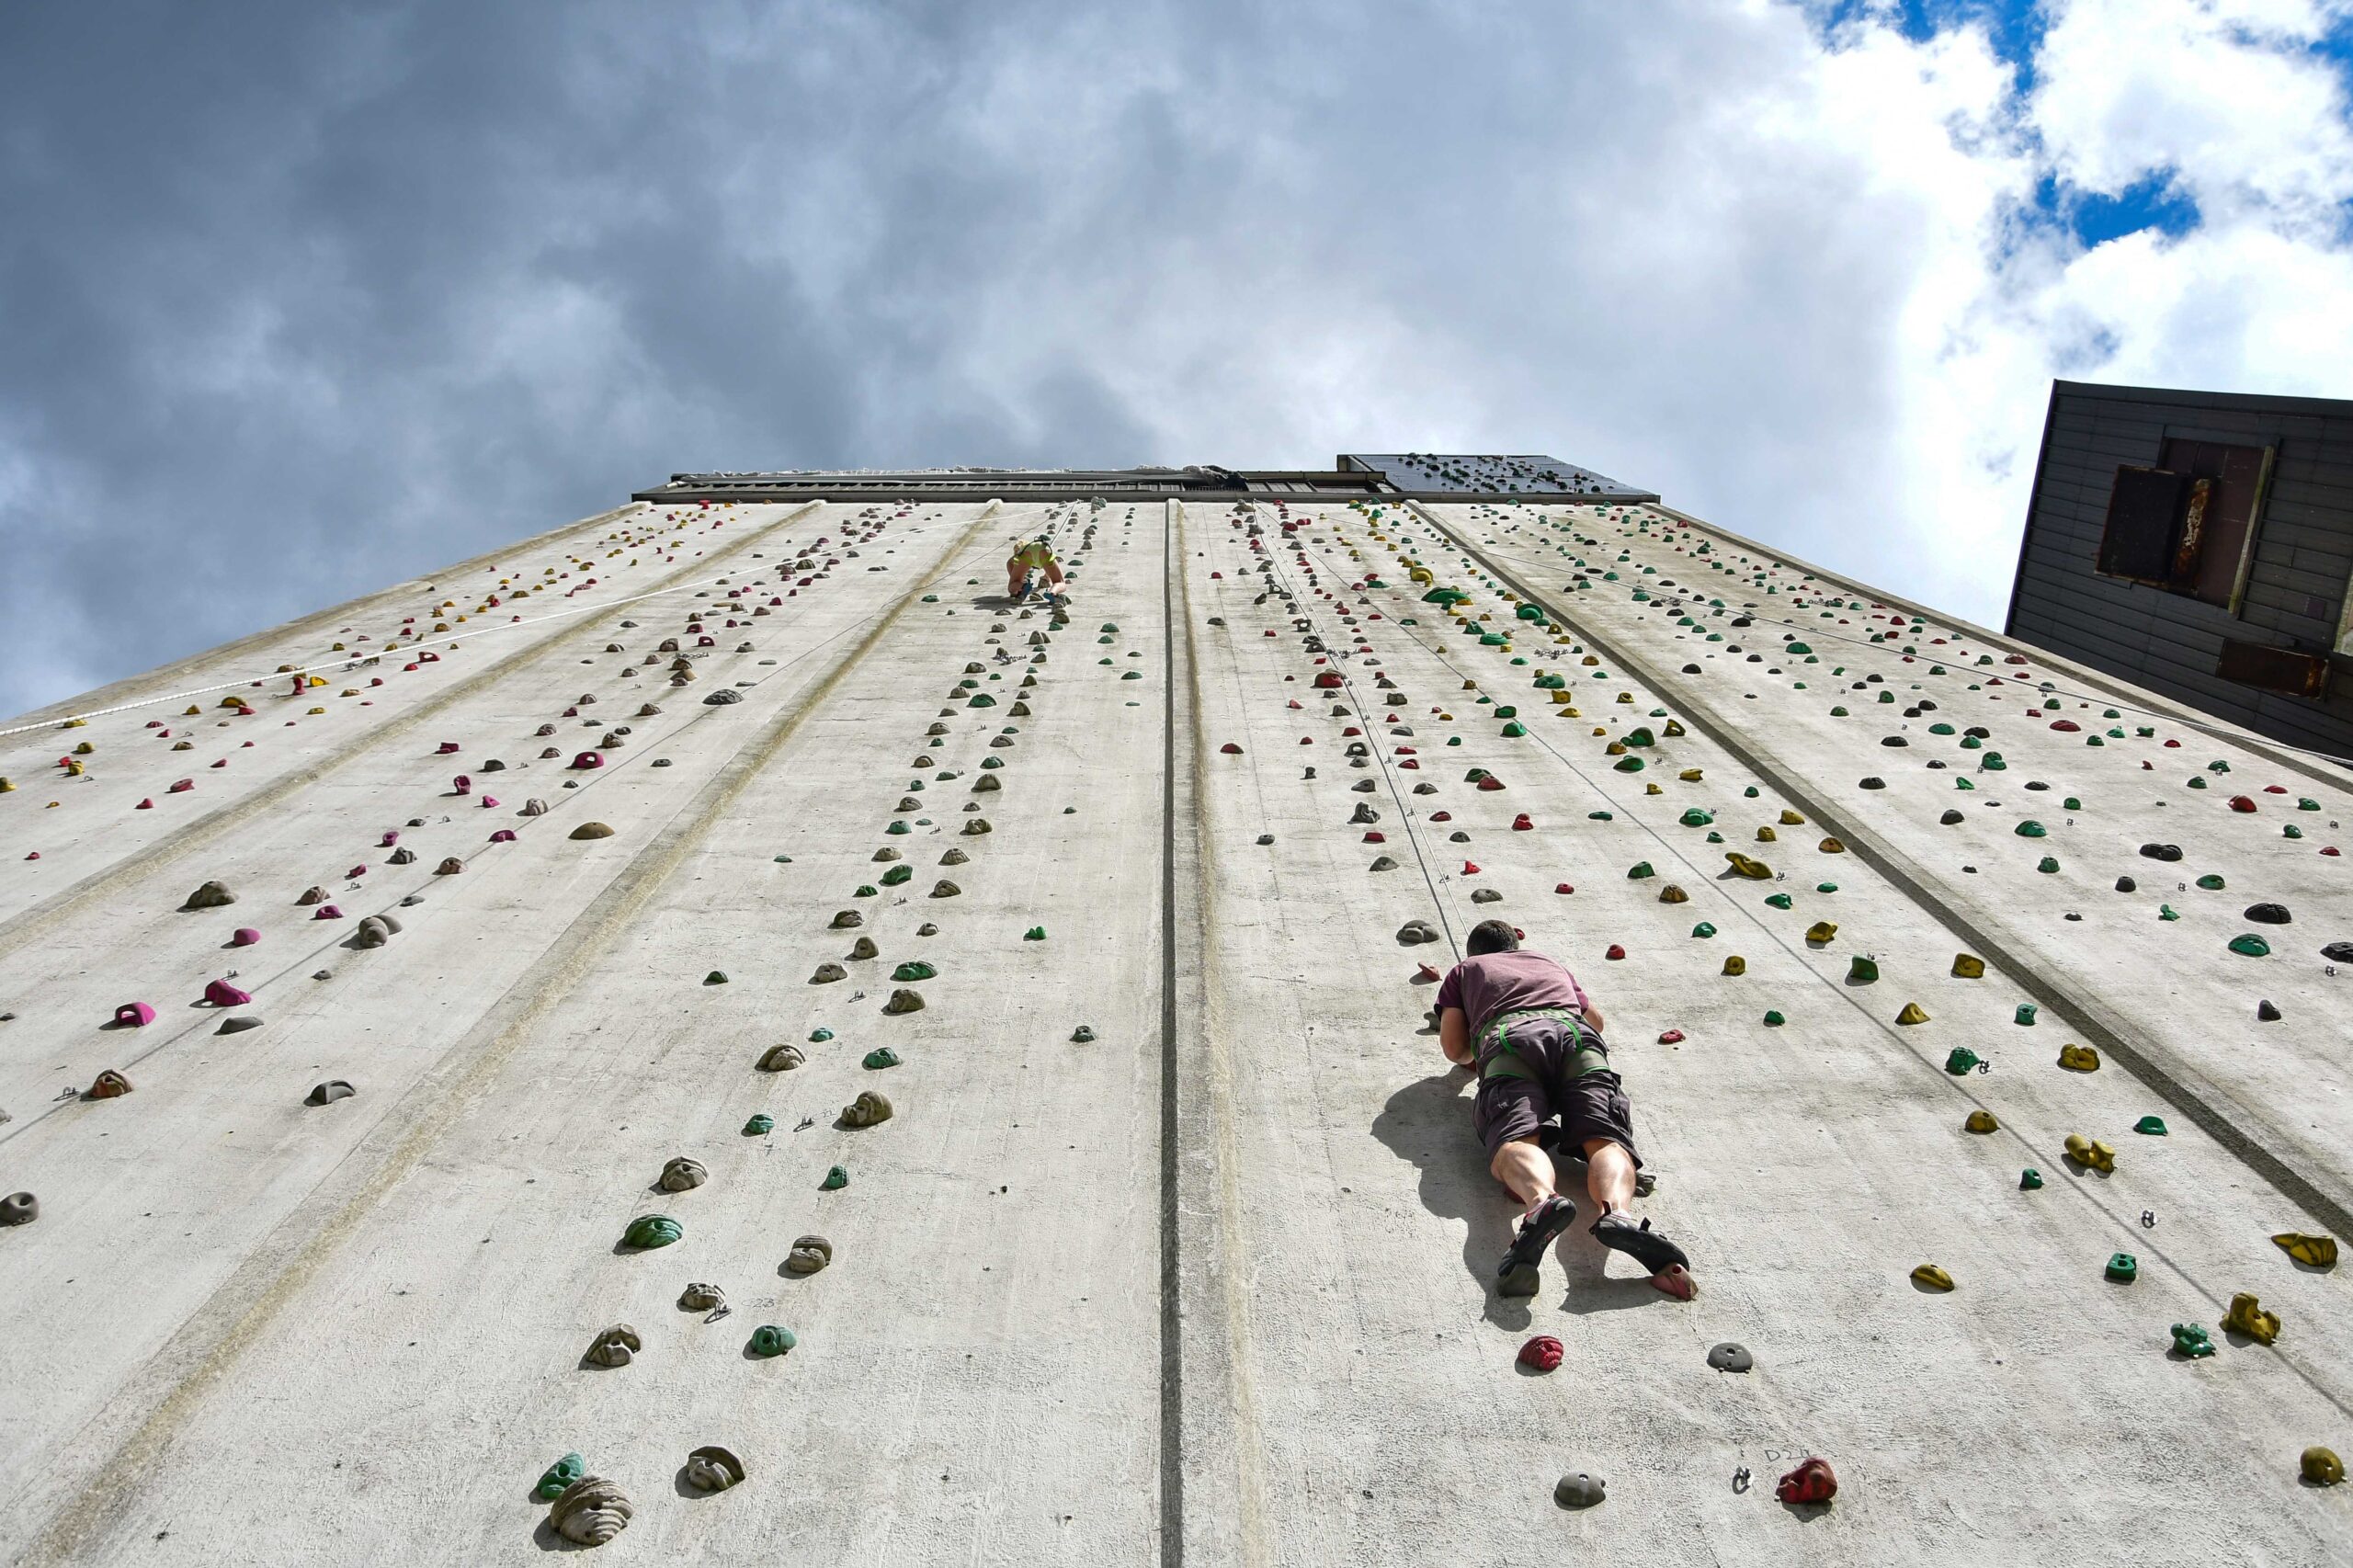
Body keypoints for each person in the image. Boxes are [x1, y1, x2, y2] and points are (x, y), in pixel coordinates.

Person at [1435, 918, 1688, 1298]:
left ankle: (1541, 1203)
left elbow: (1455, 1050)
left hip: (1512, 1041)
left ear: (1474, 952)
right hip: (1576, 1038)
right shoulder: (1549, 962)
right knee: (1605, 1139)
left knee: (1516, 1139)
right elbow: (1597, 1021)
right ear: (1515, 947)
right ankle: (1617, 1214)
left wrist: (1478, 1032)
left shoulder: (1466, 970)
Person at [1004, 536, 1064, 601]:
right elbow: (1050, 571)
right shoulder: (1030, 546)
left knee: (1012, 586)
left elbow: (1010, 565)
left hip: (1026, 554)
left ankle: (1024, 585)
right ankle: (1052, 592)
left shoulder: (1017, 557)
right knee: (1059, 582)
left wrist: (1018, 587)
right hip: (1043, 548)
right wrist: (1046, 578)